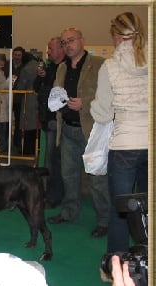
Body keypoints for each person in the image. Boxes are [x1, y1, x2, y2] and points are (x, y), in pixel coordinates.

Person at [90, 12, 148, 252]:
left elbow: (101, 114)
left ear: (115, 36)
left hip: (125, 145)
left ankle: (118, 267)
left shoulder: (110, 66)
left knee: (120, 211)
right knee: (148, 207)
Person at [47, 28, 110, 238]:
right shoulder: (62, 67)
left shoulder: (99, 65)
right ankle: (69, 212)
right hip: (67, 129)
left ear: (82, 41)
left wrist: (85, 103)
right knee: (68, 175)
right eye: (64, 42)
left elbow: (109, 96)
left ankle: (104, 220)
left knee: (96, 178)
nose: (67, 45)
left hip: (91, 131)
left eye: (71, 40)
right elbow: (57, 92)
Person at [33, 37, 66, 208]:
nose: (48, 52)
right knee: (50, 160)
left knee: (53, 161)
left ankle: (53, 196)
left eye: (50, 48)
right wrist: (41, 77)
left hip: (57, 120)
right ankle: (50, 193)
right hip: (48, 120)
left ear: (60, 49)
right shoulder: (49, 67)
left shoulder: (65, 67)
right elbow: (36, 87)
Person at [10, 46, 38, 155]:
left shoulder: (26, 69)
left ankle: (26, 150)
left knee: (25, 125)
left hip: (27, 101)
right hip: (37, 100)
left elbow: (21, 86)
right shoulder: (38, 66)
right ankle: (34, 149)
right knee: (35, 126)